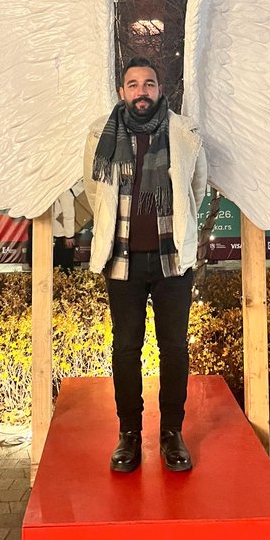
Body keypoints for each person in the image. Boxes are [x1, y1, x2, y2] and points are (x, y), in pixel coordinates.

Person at [83, 56, 207, 474]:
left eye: (149, 84)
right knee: (125, 347)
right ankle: (129, 434)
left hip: (172, 260)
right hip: (123, 261)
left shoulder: (184, 132)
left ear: (159, 89)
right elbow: (94, 191)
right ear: (122, 92)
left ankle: (172, 433)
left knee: (174, 348)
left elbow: (195, 188)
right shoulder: (101, 134)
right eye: (133, 84)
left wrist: (176, 229)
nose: (142, 91)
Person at [53, 183, 84, 272]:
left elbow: (69, 214)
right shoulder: (65, 187)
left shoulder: (64, 190)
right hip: (63, 232)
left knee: (64, 266)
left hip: (63, 233)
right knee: (62, 266)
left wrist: (69, 236)